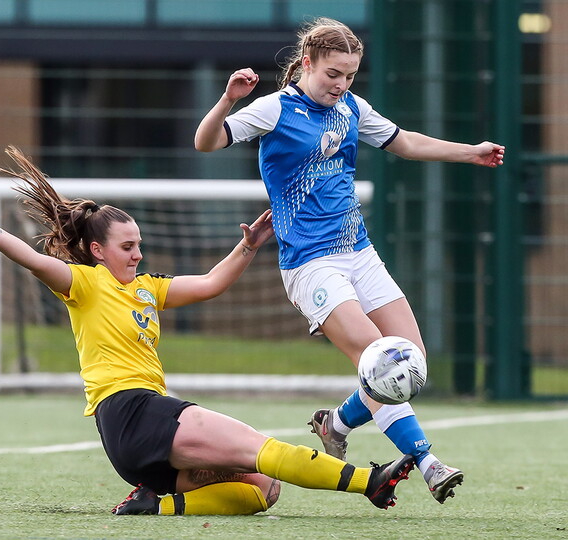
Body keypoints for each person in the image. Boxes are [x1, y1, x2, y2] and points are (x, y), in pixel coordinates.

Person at [0, 146, 414, 517]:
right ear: (96, 250)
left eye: (139, 246)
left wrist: (247, 246)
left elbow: (211, 283)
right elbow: (35, 261)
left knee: (261, 489)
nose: (136, 255)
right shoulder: (86, 283)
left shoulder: (149, 289)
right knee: (259, 447)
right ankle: (369, 483)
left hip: (135, 441)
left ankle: (157, 503)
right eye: (127, 247)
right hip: (134, 410)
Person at [193, 17, 505, 505]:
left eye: (350, 76)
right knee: (381, 362)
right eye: (332, 74)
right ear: (306, 64)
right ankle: (428, 463)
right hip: (311, 264)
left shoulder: (352, 108)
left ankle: (335, 423)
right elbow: (205, 142)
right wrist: (229, 99)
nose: (341, 85)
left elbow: (406, 142)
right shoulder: (273, 110)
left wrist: (472, 152)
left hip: (359, 252)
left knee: (411, 363)